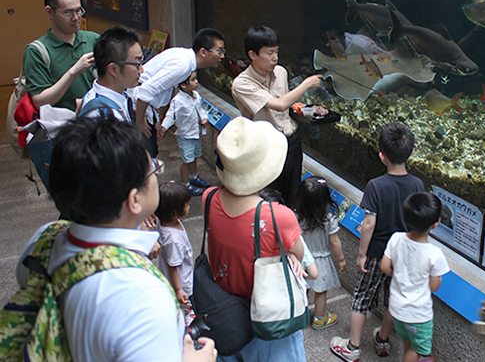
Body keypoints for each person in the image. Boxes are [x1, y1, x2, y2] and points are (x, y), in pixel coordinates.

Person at [15, 115, 216, 362]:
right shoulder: (142, 294)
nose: (158, 174)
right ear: (134, 200)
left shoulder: (43, 240)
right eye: (153, 168)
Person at [203, 116, 307, 362]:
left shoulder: (209, 198)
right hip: (268, 321)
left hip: (223, 311)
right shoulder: (278, 216)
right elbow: (298, 253)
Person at [331, 122, 424, 362]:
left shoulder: (375, 186)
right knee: (393, 299)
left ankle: (352, 347)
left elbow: (369, 224)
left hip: (375, 254)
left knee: (361, 298)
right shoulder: (417, 185)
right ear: (411, 153)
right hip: (402, 256)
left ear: (381, 155)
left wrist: (361, 254)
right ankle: (383, 340)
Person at [231, 26, 323, 206]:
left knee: (293, 195)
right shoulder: (242, 83)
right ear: (252, 54)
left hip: (291, 142)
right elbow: (280, 105)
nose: (275, 58)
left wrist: (308, 112)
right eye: (270, 53)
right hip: (265, 148)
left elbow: (287, 104)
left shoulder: (280, 72)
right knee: (269, 198)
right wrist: (306, 84)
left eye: (277, 52)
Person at [23, 0, 99, 186]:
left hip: (95, 131)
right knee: (72, 196)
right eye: (68, 12)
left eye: (79, 10)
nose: (76, 18)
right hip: (63, 137)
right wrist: (74, 71)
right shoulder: (37, 51)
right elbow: (40, 100)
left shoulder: (91, 39)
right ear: (50, 12)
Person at [134, 28, 225, 157]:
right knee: (146, 156)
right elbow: (145, 91)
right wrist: (139, 121)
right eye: (219, 51)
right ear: (203, 52)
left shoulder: (184, 57)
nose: (222, 56)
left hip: (146, 109)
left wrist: (157, 119)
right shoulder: (182, 65)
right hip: (137, 108)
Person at [381, 192, 450, 362]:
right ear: (435, 224)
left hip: (397, 308)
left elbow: (384, 266)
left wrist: (399, 274)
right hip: (418, 314)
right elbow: (434, 286)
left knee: (406, 339)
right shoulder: (435, 254)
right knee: (418, 349)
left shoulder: (396, 238)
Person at [293, 176, 346, 330]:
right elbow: (334, 241)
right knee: (320, 291)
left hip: (301, 259)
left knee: (303, 288)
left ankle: (299, 315)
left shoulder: (296, 216)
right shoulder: (328, 219)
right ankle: (320, 318)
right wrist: (341, 259)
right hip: (320, 261)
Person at [160, 71, 210, 195]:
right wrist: (163, 128)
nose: (197, 82)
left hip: (195, 133)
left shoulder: (196, 95)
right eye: (193, 80)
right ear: (183, 85)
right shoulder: (177, 101)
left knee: (194, 157)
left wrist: (204, 118)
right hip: (185, 136)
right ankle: (185, 184)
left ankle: (194, 177)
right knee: (187, 160)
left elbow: (201, 109)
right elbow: (170, 116)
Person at [80, 26, 144, 120]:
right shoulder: (104, 115)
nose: (142, 70)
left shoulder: (117, 94)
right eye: (137, 64)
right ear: (114, 69)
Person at [156, 182, 196, 325]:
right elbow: (174, 265)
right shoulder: (174, 241)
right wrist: (179, 289)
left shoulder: (162, 223)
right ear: (174, 213)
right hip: (181, 281)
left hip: (172, 277)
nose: (188, 207)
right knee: (185, 310)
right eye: (185, 205)